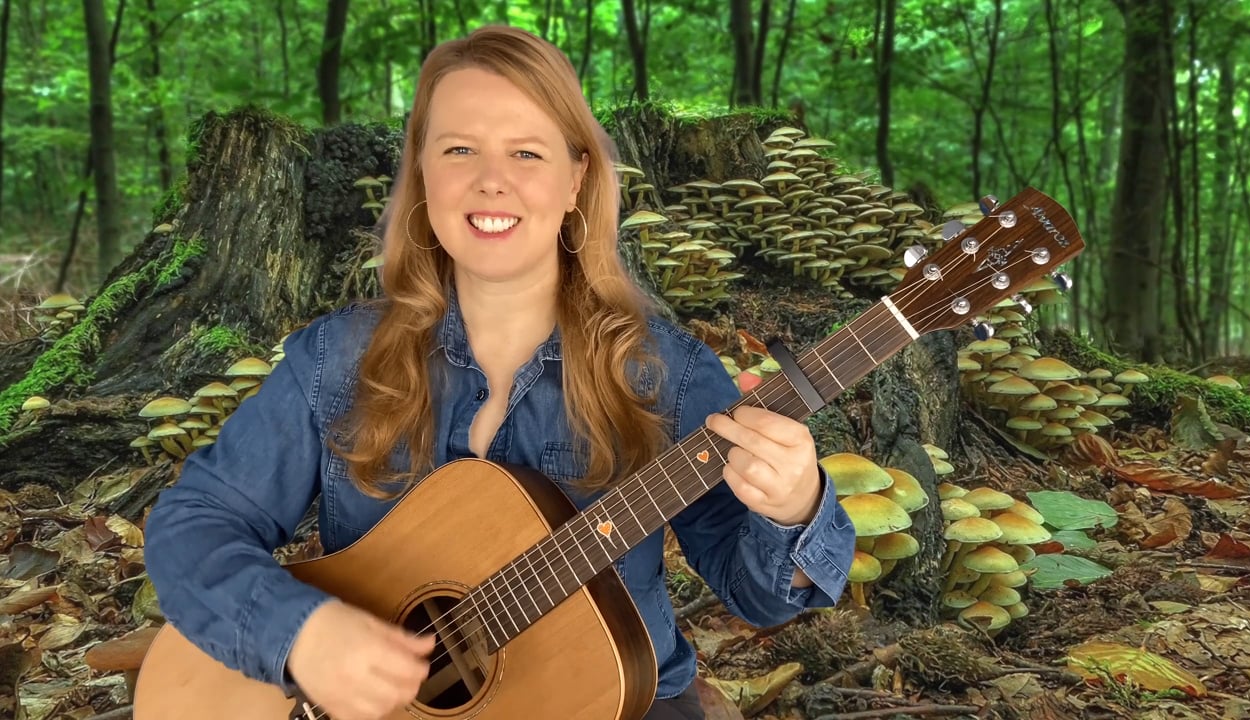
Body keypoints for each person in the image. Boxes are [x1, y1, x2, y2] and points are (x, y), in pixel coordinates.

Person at [143, 24, 855, 720]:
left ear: (576, 180)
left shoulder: (669, 374)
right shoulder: (337, 360)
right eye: (460, 149)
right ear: (423, 173)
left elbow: (757, 595)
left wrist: (794, 508)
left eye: (526, 153)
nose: (491, 181)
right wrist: (300, 635)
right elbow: (193, 523)